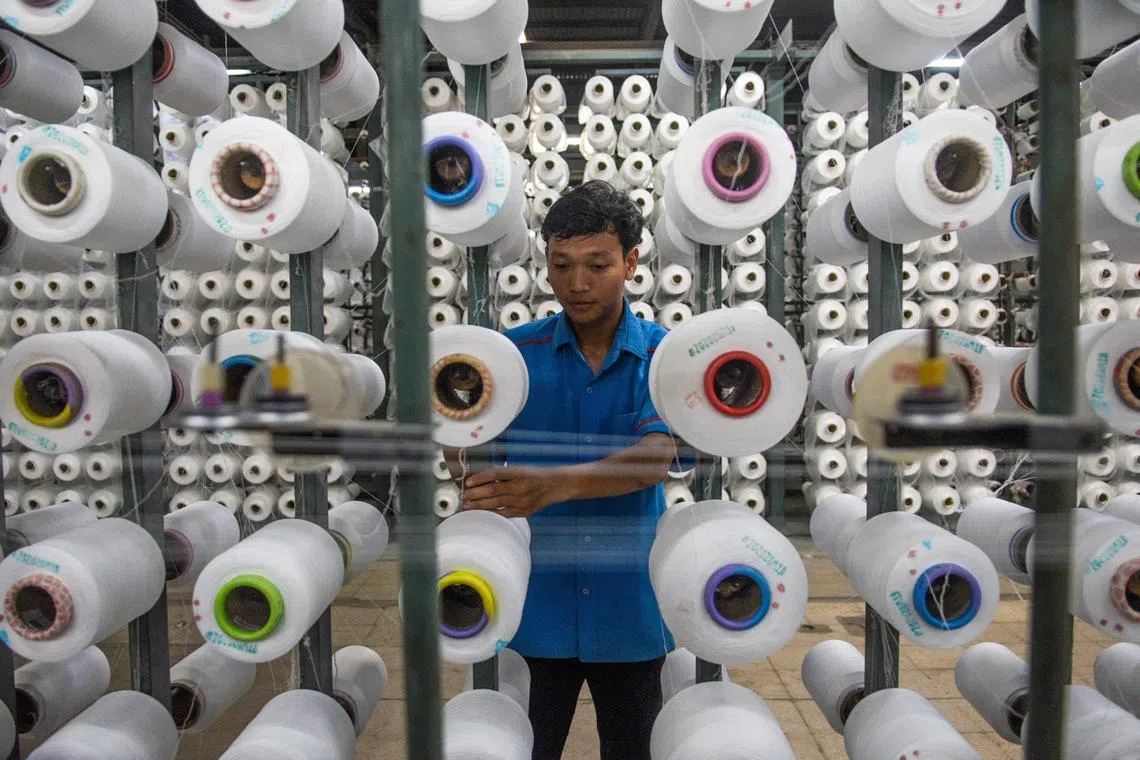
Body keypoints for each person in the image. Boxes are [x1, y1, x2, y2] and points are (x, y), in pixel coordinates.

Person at [445, 180, 677, 760]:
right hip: (530, 604)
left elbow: (658, 455)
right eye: (561, 265)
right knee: (523, 747)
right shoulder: (508, 357)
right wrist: (458, 444)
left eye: (597, 265)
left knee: (632, 748)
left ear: (631, 261)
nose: (577, 283)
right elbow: (466, 449)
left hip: (627, 605)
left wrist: (552, 485)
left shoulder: (662, 357)